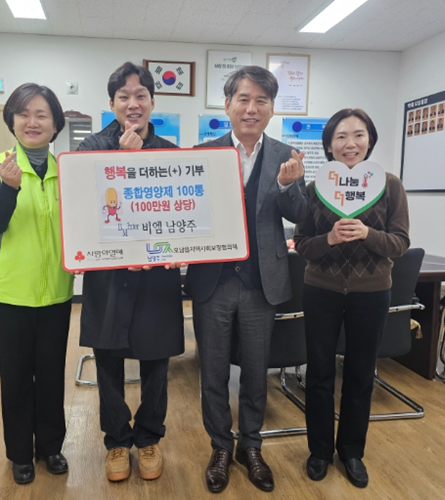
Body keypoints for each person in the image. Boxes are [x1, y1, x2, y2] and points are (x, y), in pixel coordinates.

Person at [185, 66, 308, 493]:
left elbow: (300, 214)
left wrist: (289, 187)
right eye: (243, 99)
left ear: (272, 108)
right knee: (213, 372)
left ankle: (251, 446)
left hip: (261, 283)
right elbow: (188, 212)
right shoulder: (204, 153)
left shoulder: (287, 154)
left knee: (256, 373)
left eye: (261, 101)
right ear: (227, 105)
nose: (251, 108)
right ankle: (220, 446)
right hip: (213, 281)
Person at [76, 62, 184, 483]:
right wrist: (123, 161)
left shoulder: (170, 152)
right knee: (107, 359)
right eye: (124, 96)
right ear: (112, 103)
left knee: (157, 359)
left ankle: (149, 436)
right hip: (109, 275)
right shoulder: (90, 148)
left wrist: (177, 250)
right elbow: (83, 209)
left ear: (153, 102)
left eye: (141, 96)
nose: (133, 103)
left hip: (157, 274)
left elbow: (179, 214)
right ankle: (117, 440)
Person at [294, 108, 409, 489]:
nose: (350, 143)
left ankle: (352, 452)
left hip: (371, 292)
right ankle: (319, 450)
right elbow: (303, 244)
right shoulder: (316, 188)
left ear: (370, 140)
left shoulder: (389, 185)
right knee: (319, 373)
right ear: (328, 145)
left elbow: (400, 243)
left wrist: (367, 234)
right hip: (321, 290)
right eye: (341, 136)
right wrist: (329, 238)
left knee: (360, 375)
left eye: (358, 134)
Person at [0, 83, 74, 485]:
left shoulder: (67, 170)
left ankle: (50, 446)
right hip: (10, 292)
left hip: (56, 292)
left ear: (56, 124)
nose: (33, 122)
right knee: (15, 377)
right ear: (12, 121)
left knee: (50, 374)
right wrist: (8, 189)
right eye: (24, 114)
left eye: (42, 114)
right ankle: (19, 453)